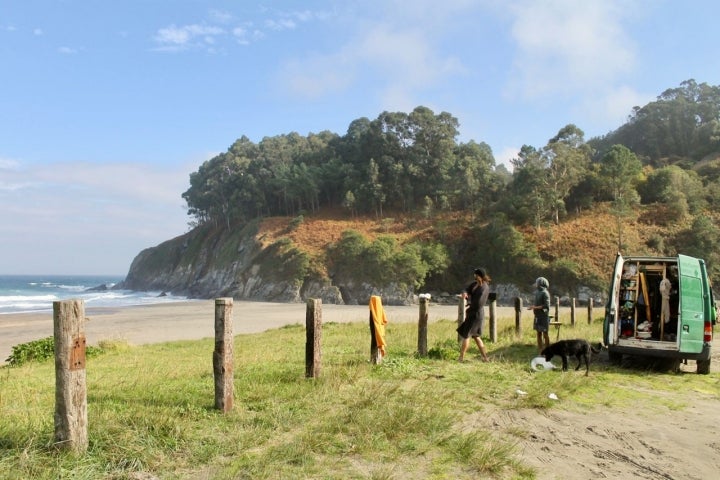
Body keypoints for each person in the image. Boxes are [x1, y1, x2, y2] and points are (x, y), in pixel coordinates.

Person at [456, 268, 491, 362]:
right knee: (475, 336)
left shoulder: (484, 287)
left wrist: (469, 303)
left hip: (476, 315)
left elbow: (479, 303)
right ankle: (485, 358)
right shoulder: (474, 284)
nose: (474, 276)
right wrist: (464, 293)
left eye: (475, 274)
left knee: (467, 335)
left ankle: (461, 358)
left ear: (479, 275)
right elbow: (466, 289)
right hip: (472, 313)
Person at [528, 276, 551, 354]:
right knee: (538, 333)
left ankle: (548, 349)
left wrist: (534, 307)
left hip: (543, 316)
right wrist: (534, 308)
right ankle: (540, 349)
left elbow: (546, 306)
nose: (536, 284)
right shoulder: (537, 292)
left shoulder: (545, 293)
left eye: (537, 283)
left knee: (545, 333)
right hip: (537, 316)